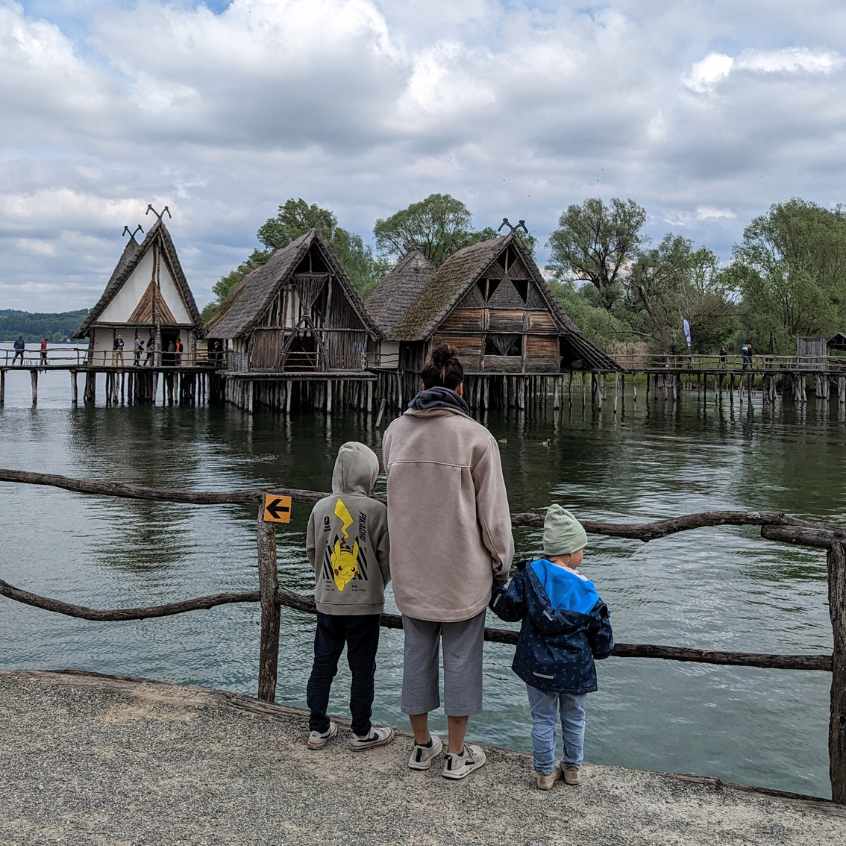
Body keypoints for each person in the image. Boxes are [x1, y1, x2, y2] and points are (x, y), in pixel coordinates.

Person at [382, 344, 514, 780]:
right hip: (462, 574)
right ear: (460, 387)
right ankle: (457, 755)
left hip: (411, 570)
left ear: (421, 385)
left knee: (415, 656)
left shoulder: (394, 433)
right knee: (461, 661)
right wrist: (502, 563)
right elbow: (494, 518)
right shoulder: (476, 437)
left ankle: (421, 747)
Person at [490, 506, 613, 790]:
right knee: (574, 717)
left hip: (538, 665)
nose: (583, 555)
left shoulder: (529, 576)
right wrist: (602, 649)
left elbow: (508, 609)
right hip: (576, 669)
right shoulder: (587, 590)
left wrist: (495, 589)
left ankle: (545, 773)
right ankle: (572, 768)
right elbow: (602, 636)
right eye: (581, 549)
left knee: (542, 719)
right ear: (569, 553)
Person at [305, 441, 395, 753]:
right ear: (370, 474)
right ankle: (361, 730)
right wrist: (376, 583)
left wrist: (326, 580)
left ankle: (317, 727)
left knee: (322, 664)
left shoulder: (320, 508)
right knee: (362, 668)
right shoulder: (378, 511)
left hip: (328, 600)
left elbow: (312, 552)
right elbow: (387, 558)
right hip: (365, 605)